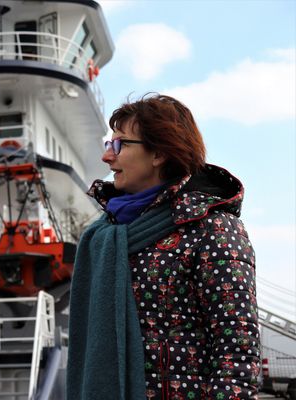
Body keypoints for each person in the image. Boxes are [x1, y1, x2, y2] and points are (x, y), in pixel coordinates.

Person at [67, 94, 259, 400]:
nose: (107, 157)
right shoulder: (106, 235)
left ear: (158, 153)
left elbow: (236, 353)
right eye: (108, 144)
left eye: (119, 145)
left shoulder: (212, 228)